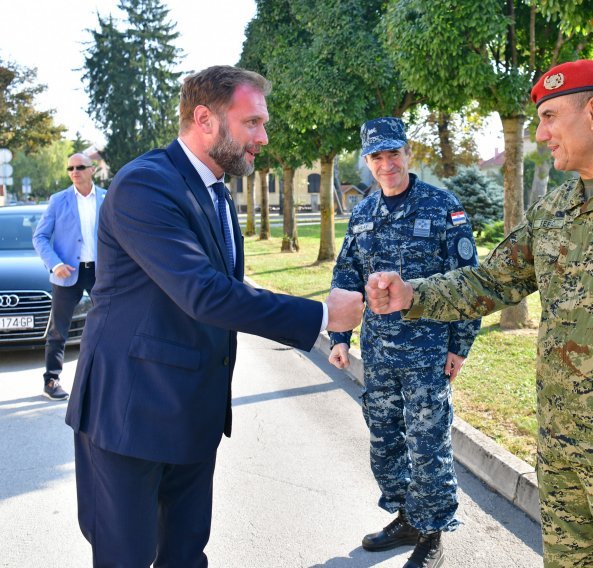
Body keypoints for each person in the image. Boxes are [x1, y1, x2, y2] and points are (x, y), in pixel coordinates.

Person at [365, 60, 593, 567]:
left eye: (548, 116)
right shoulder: (554, 209)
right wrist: (412, 294)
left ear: (592, 112)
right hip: (561, 453)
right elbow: (491, 281)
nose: (540, 133)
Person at [64, 65, 363, 567]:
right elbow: (203, 293)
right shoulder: (146, 185)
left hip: (191, 416)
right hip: (129, 417)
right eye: (252, 123)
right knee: (126, 559)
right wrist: (320, 314)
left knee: (185, 555)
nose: (263, 137)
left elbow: (225, 290)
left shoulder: (216, 190)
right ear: (204, 118)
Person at [328, 117, 480, 568]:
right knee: (385, 441)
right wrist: (339, 335)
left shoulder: (442, 206)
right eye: (377, 156)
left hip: (429, 352)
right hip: (379, 353)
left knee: (427, 442)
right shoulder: (362, 214)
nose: (386, 163)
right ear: (368, 161)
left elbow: (466, 281)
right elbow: (346, 278)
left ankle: (433, 530)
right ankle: (407, 517)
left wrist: (460, 344)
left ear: (408, 154)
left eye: (393, 153)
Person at [32, 153, 106, 401]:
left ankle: (106, 376)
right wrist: (55, 265)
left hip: (100, 272)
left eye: (80, 167)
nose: (74, 171)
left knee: (109, 324)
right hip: (67, 272)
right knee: (58, 331)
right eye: (70, 168)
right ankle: (51, 380)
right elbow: (40, 237)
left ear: (92, 170)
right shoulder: (58, 200)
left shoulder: (107, 198)